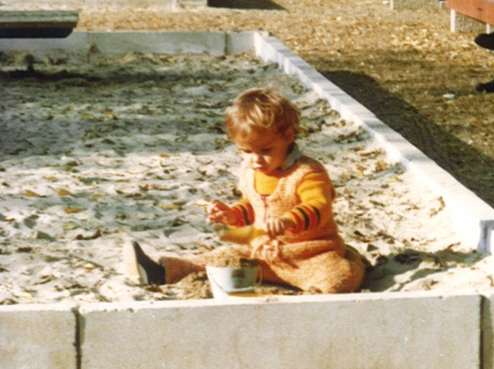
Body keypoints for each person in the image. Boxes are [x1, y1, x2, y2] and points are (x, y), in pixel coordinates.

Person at [122, 88, 366, 294]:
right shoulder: (250, 171)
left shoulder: (306, 172)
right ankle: (159, 271)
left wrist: (287, 220)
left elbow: (318, 206)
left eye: (265, 150)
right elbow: (252, 207)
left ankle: (353, 265)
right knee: (223, 257)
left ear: (288, 136)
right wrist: (232, 215)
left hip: (307, 256)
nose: (256, 159)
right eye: (246, 151)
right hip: (261, 255)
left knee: (337, 276)